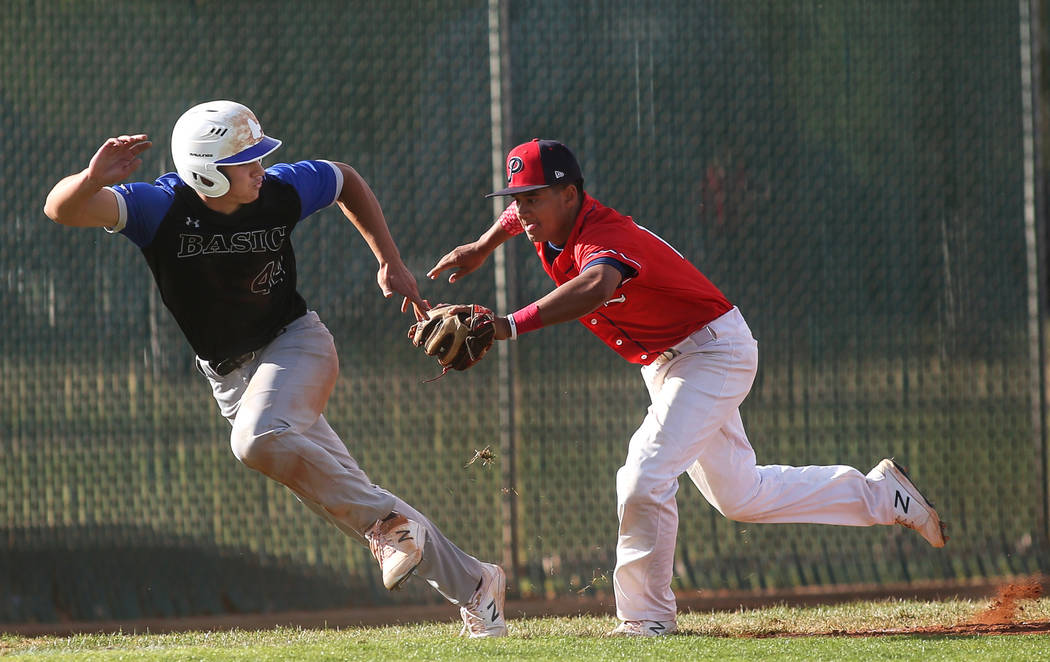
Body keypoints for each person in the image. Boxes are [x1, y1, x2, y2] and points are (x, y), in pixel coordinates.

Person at [428, 138, 948, 637]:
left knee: (643, 475)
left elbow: (595, 287)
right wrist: (481, 246)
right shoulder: (550, 220)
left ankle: (646, 617)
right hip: (670, 362)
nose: (523, 210)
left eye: (533, 198)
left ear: (570, 195)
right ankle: (883, 496)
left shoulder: (602, 237)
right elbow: (518, 218)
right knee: (742, 495)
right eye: (517, 198)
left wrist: (507, 324)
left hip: (712, 352)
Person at [43, 100, 506, 638]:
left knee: (258, 442)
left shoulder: (278, 190)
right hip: (229, 378)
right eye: (246, 160)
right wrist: (91, 178)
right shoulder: (159, 207)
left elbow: (343, 180)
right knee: (348, 495)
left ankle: (388, 526)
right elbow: (61, 209)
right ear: (204, 171)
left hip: (296, 345)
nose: (261, 167)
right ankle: (475, 584)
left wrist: (390, 260)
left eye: (260, 156)